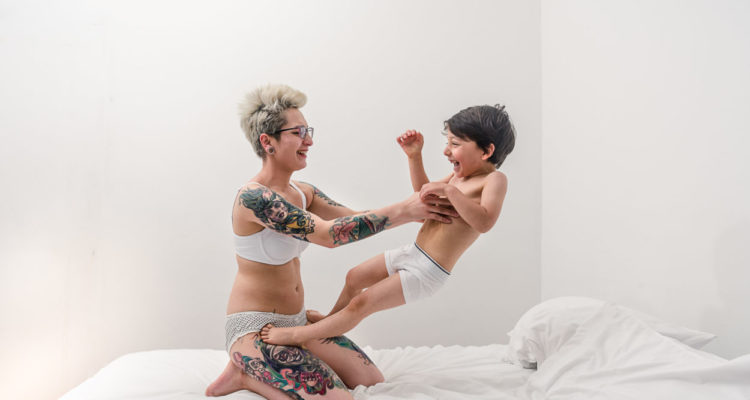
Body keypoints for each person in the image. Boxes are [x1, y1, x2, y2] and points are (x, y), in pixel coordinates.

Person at [205, 84, 457, 400]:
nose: (309, 141)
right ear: (267, 142)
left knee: (370, 379)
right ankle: (244, 372)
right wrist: (403, 211)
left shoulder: (303, 192)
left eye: (308, 131)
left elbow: (355, 218)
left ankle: (269, 363)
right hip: (254, 328)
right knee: (341, 399)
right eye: (298, 132)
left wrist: (415, 206)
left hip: (296, 321)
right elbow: (329, 235)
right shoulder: (254, 198)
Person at [259, 104, 516, 348]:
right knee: (354, 277)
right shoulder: (458, 177)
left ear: (486, 151)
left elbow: (485, 222)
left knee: (362, 303)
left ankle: (297, 335)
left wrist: (450, 191)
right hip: (413, 252)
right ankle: (329, 322)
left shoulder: (494, 180)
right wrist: (414, 157)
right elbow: (424, 196)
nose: (446, 151)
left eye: (455, 144)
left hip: (428, 270)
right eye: (447, 143)